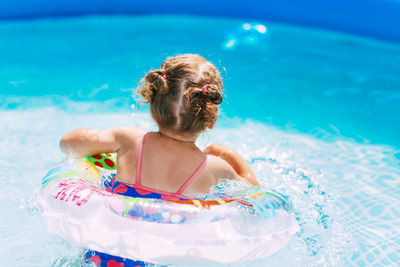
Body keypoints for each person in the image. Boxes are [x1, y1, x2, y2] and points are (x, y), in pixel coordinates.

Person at [60, 54, 259, 267]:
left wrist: (104, 151)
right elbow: (253, 195)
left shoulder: (129, 140)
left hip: (101, 258)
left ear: (152, 103)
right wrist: (227, 153)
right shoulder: (212, 167)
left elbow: (68, 143)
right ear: (212, 119)